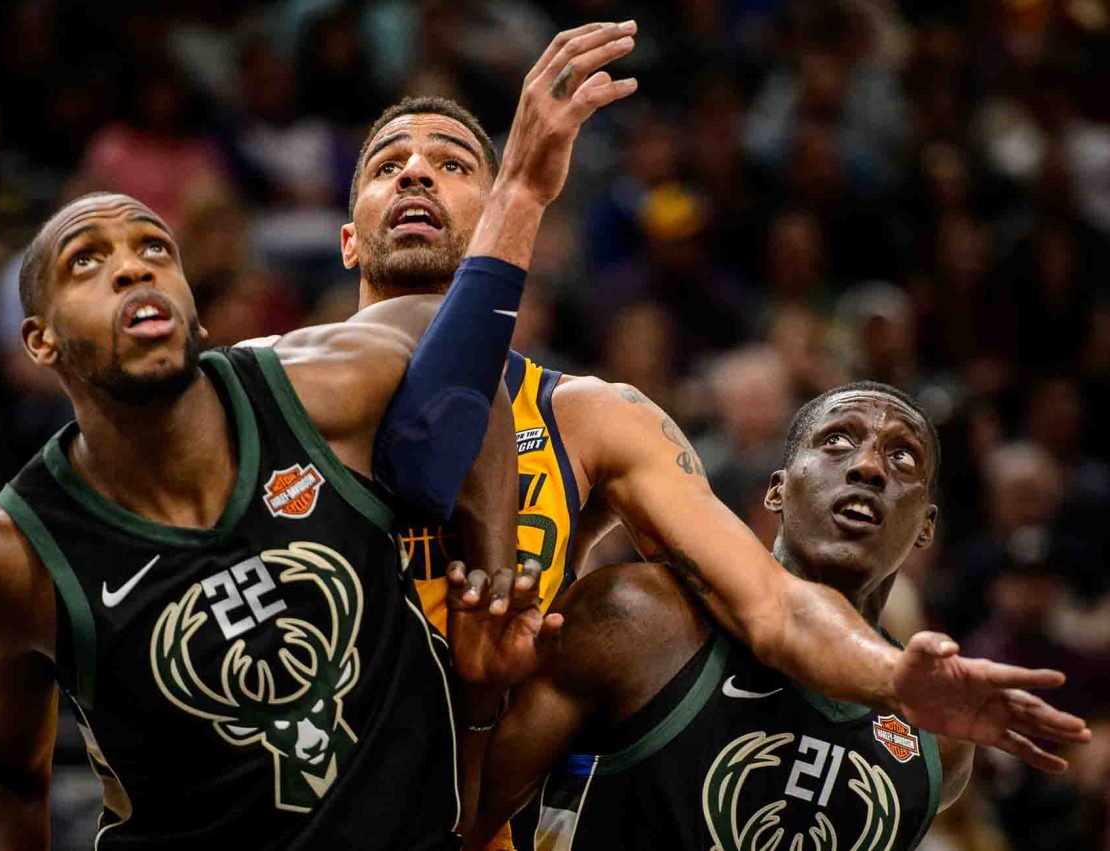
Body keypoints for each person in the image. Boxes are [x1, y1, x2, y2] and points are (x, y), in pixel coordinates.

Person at [0, 22, 639, 849]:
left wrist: (491, 551)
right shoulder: (10, 553)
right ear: (40, 341)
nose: (132, 266)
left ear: (195, 308)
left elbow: (456, 356)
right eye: (86, 261)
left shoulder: (314, 385)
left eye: (154, 248)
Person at [340, 25, 1088, 774]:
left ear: (490, 214)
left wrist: (890, 674)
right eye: (388, 165)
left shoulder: (594, 416)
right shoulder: (273, 382)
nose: (415, 174)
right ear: (347, 240)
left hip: (468, 790)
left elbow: (769, 599)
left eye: (452, 162)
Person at [464, 382, 1091, 850]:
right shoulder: (638, 615)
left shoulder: (938, 739)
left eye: (903, 460)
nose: (869, 466)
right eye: (837, 441)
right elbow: (466, 818)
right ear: (777, 489)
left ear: (926, 527)